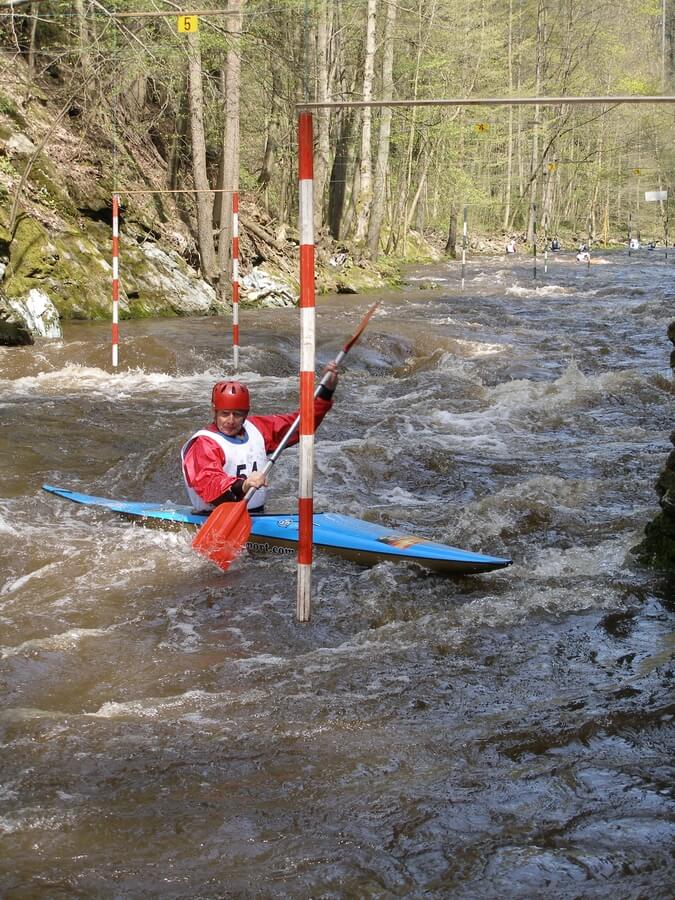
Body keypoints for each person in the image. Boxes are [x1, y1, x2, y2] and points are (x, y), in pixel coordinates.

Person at [181, 364, 339, 514]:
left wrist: (326, 392)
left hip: (255, 515)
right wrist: (244, 484)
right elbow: (210, 483)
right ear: (214, 411)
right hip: (214, 517)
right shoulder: (204, 443)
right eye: (224, 413)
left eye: (237, 414)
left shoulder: (257, 428)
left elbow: (300, 424)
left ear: (246, 413)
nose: (230, 420)